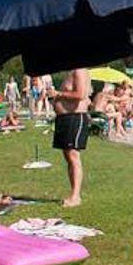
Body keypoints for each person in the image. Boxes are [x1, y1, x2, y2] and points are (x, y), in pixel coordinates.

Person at [48, 66, 90, 207]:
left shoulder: (79, 70)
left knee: (73, 156)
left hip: (74, 117)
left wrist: (58, 94)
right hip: (65, 118)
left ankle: (76, 196)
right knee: (68, 157)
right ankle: (73, 193)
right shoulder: (71, 71)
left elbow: (80, 94)